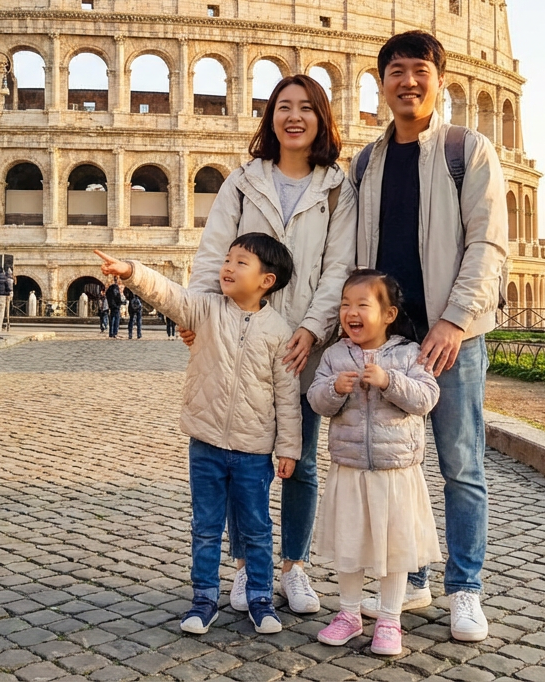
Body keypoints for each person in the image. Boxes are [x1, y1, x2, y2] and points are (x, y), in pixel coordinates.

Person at [352, 31, 507, 642]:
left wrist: (455, 320)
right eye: (396, 71)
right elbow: (352, 254)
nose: (408, 81)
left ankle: (465, 588)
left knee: (462, 467)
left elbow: (487, 243)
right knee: (400, 468)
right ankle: (412, 578)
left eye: (420, 70)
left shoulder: (466, 151)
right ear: (382, 81)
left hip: (453, 341)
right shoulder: (365, 163)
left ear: (440, 81)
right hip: (390, 346)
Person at [184, 73, 356, 615]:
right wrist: (196, 309)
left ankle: (294, 566)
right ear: (270, 117)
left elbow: (338, 268)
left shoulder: (337, 186)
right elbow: (216, 253)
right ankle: (244, 567)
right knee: (240, 457)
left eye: (306, 107)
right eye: (284, 107)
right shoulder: (241, 181)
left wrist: (311, 328)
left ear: (321, 117)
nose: (294, 117)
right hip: (241, 336)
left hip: (305, 341)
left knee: (299, 458)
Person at [95, 233, 301, 636]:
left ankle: (260, 597)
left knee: (257, 528)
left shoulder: (279, 331)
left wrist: (289, 447)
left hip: (253, 450)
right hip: (205, 442)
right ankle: (203, 599)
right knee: (205, 525)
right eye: (228, 259)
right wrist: (132, 272)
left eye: (241, 262)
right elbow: (169, 295)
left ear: (267, 281)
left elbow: (288, 397)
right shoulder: (206, 308)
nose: (228, 267)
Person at [307, 270, 441, 656]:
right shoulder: (335, 355)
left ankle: (389, 619)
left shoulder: (408, 353)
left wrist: (389, 381)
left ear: (388, 314)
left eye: (362, 305)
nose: (351, 312)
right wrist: (334, 389)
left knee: (395, 547)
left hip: (395, 469)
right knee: (350, 542)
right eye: (345, 304)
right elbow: (317, 399)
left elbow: (425, 397)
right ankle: (349, 613)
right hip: (349, 466)